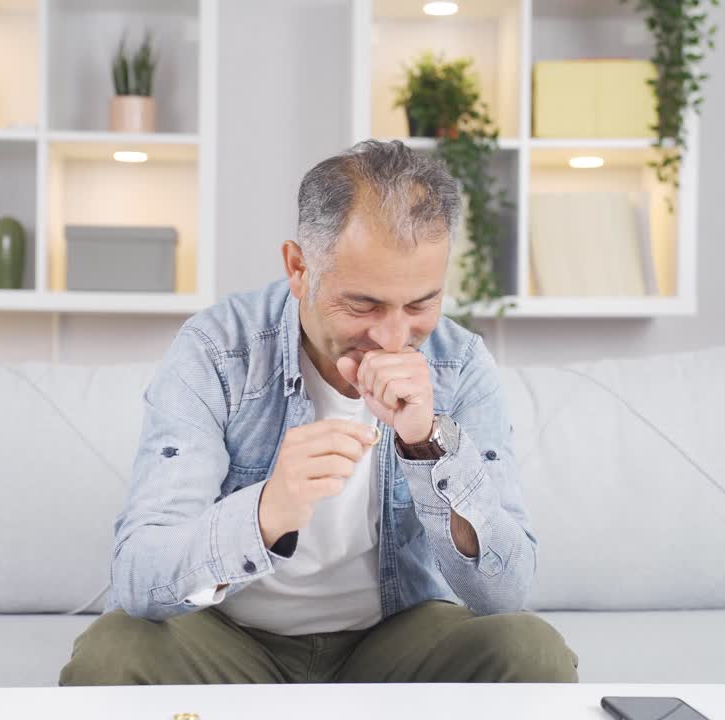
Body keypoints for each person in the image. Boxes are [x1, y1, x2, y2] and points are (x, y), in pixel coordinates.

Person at [59, 139, 579, 685]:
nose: (393, 337)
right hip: (230, 639)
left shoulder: (461, 364)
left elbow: (504, 594)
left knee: (531, 652)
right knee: (112, 654)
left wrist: (427, 444)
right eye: (363, 304)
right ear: (299, 268)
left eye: (420, 303)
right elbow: (139, 576)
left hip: (390, 642)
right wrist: (266, 512)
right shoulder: (216, 350)